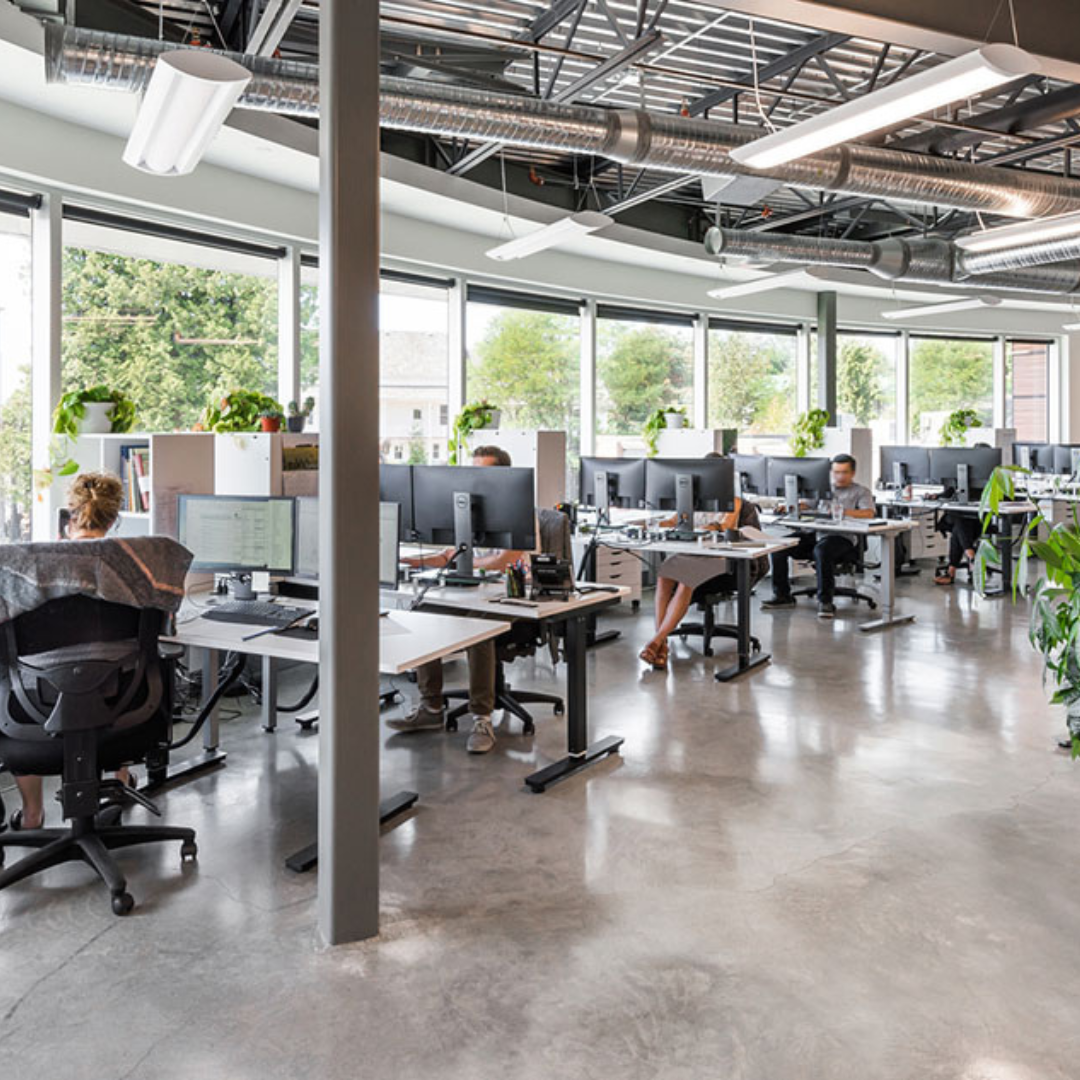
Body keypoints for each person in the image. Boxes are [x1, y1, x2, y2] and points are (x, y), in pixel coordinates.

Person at [3, 472, 126, 832]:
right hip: (117, 709)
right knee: (124, 672)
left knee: (12, 686)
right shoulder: (130, 567)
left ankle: (31, 815)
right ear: (114, 517)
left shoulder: (31, 568)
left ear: (68, 514)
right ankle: (118, 784)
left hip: (35, 711)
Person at [389, 445, 528, 754]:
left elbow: (504, 561)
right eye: (473, 471)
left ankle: (482, 716)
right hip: (467, 592)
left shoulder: (518, 509)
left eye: (485, 472)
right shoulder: (467, 510)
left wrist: (459, 561)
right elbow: (448, 554)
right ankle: (431, 707)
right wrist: (409, 561)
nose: (477, 479)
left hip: (511, 599)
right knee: (421, 611)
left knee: (477, 628)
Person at [639, 479, 766, 670]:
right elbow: (675, 521)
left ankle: (656, 641)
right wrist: (652, 524)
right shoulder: (694, 503)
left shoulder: (736, 503)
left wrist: (707, 529)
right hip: (695, 557)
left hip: (727, 562)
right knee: (664, 575)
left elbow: (725, 526)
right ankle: (661, 646)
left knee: (685, 580)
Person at [761, 453, 874, 619]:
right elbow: (808, 504)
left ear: (852, 473)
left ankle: (825, 601)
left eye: (844, 472)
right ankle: (782, 596)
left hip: (842, 538)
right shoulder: (822, 488)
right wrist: (790, 506)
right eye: (836, 472)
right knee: (779, 546)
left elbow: (869, 513)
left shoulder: (861, 492)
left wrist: (844, 512)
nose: (839, 476)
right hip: (816, 534)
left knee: (822, 551)